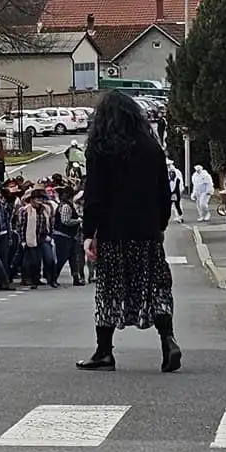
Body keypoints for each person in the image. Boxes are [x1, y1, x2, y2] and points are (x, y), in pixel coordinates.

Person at [75, 90, 180, 372]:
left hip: (113, 230)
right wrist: (160, 223)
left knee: (109, 290)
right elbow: (163, 190)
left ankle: (104, 351)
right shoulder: (151, 147)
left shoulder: (101, 148)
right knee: (156, 286)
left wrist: (89, 233)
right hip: (146, 230)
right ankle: (168, 340)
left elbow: (94, 194)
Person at [52, 188, 85, 287]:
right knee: (62, 258)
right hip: (63, 236)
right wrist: (78, 220)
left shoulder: (66, 205)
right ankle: (53, 278)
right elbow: (65, 221)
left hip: (70, 237)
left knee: (73, 258)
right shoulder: (66, 206)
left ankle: (76, 279)